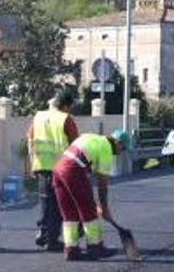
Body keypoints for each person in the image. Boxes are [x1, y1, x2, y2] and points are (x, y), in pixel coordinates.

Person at [52, 131, 133, 261]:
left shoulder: (91, 138)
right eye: (122, 148)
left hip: (58, 171)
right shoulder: (106, 149)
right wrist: (104, 208)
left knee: (69, 213)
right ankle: (96, 247)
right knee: (89, 211)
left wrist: (92, 202)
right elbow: (102, 185)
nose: (120, 152)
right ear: (117, 143)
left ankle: (71, 249)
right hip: (73, 170)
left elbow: (84, 178)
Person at [28, 91, 79, 251]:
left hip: (42, 165)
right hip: (61, 168)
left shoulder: (39, 117)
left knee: (45, 201)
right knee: (58, 203)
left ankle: (42, 231)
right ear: (65, 106)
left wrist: (32, 163)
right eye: (70, 107)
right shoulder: (66, 119)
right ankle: (52, 239)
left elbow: (30, 140)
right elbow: (76, 146)